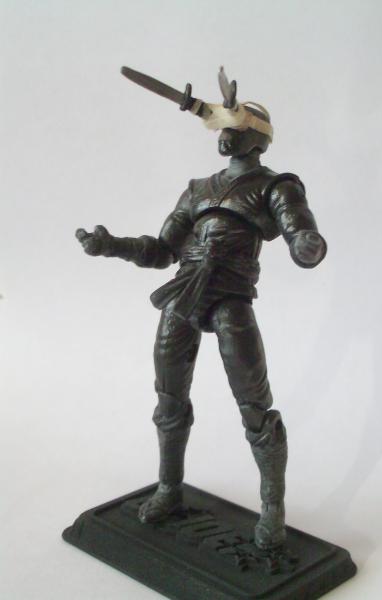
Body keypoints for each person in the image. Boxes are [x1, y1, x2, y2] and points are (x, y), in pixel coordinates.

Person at [76, 73, 327, 550]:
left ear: (258, 139)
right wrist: (111, 245)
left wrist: (306, 244)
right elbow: (161, 250)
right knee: (169, 399)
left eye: (235, 128)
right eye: (222, 128)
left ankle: (272, 509)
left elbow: (299, 229)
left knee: (254, 404)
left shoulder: (275, 186)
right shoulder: (197, 189)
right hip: (184, 294)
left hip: (231, 296)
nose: (224, 135)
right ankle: (169, 489)